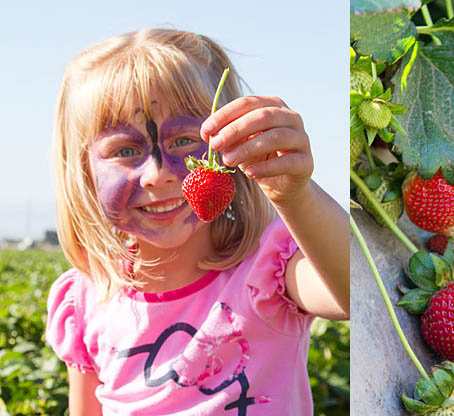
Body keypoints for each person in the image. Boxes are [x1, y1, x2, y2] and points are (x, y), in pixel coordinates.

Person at [45, 28, 349, 415]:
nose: (158, 175)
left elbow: (351, 292)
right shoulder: (87, 300)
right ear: (83, 171)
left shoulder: (270, 269)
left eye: (184, 141)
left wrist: (296, 195)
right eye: (124, 149)